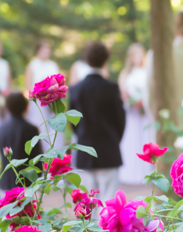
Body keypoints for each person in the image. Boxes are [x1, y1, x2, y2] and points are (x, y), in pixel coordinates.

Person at [68, 41, 126, 198]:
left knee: (88, 203)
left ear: (86, 60)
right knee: (108, 203)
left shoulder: (76, 90)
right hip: (108, 149)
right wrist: (114, 140)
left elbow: (72, 122)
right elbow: (120, 120)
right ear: (106, 60)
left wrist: (82, 137)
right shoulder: (111, 88)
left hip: (84, 149)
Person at [118, 43, 155, 185]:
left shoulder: (148, 72)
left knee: (146, 139)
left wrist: (143, 101)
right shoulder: (126, 73)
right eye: (136, 55)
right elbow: (123, 92)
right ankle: (131, 173)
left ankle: (147, 172)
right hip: (132, 113)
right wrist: (131, 100)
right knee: (132, 140)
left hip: (145, 112)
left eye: (141, 54)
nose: (139, 58)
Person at [0, 92, 43, 192]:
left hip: (6, 184)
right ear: (26, 106)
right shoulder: (32, 129)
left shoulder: (1, 130)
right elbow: (38, 157)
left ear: (7, 107)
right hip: (28, 185)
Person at [24, 40, 64, 147]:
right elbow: (28, 87)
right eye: (44, 49)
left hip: (53, 101)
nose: (47, 51)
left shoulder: (53, 65)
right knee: (40, 125)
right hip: (38, 102)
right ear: (38, 50)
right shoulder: (32, 65)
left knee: (54, 126)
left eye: (48, 49)